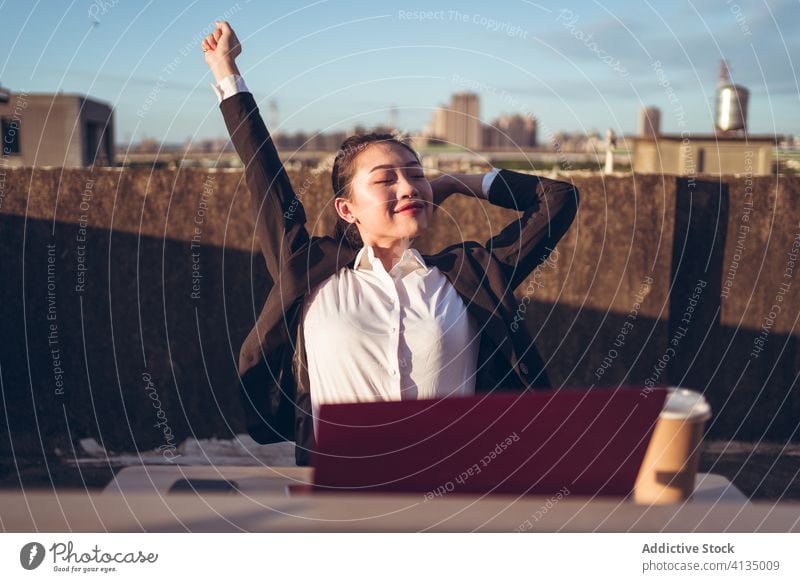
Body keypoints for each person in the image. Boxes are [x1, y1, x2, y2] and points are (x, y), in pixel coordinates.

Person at [201, 21, 580, 466]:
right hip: (336, 502)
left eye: (416, 175)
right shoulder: (308, 271)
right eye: (385, 179)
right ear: (347, 209)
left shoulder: (471, 274)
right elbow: (265, 178)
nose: (408, 187)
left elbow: (557, 200)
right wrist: (227, 72)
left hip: (452, 495)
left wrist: (455, 181)